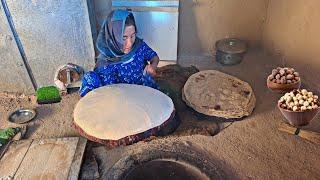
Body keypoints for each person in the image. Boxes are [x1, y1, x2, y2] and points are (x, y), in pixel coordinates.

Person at [79, 9, 160, 97]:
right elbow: (111, 96)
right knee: (91, 78)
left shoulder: (139, 46)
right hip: (121, 100)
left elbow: (154, 57)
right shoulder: (105, 64)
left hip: (143, 92)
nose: (129, 43)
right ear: (112, 37)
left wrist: (153, 66)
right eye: (124, 38)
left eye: (132, 36)